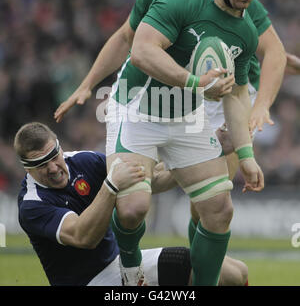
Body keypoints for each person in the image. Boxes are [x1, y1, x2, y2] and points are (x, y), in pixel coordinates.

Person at [103, 0, 268, 287]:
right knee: (133, 209)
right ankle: (130, 271)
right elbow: (144, 51)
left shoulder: (246, 31)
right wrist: (195, 83)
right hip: (139, 109)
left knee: (219, 210)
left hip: (187, 118)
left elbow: (237, 95)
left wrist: (246, 154)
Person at [15, 122, 248, 286]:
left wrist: (206, 152)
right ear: (27, 168)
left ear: (59, 146)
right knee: (200, 272)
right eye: (41, 164)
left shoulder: (82, 161)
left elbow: (150, 180)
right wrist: (110, 186)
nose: (53, 168)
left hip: (119, 266)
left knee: (235, 273)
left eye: (53, 156)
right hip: (87, 281)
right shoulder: (31, 205)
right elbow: (83, 237)